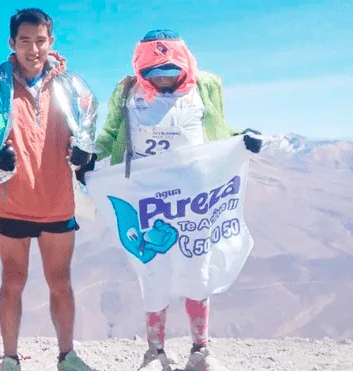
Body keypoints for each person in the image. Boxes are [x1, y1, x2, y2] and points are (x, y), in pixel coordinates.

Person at [90, 29, 262, 371]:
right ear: (142, 69)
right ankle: (155, 353)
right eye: (155, 73)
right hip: (148, 202)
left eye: (171, 71)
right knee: (153, 273)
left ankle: (201, 350)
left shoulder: (205, 87)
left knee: (198, 273)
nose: (164, 80)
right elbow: (110, 136)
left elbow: (219, 131)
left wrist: (243, 139)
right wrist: (89, 158)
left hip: (195, 202)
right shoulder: (127, 92)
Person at [0, 8, 97, 371]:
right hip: (11, 203)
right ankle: (9, 358)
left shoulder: (72, 87)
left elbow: (87, 139)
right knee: (12, 281)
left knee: (60, 282)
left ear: (51, 41)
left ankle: (67, 355)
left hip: (57, 202)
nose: (33, 49)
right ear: (11, 43)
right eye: (25, 41)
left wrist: (84, 155)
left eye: (40, 41)